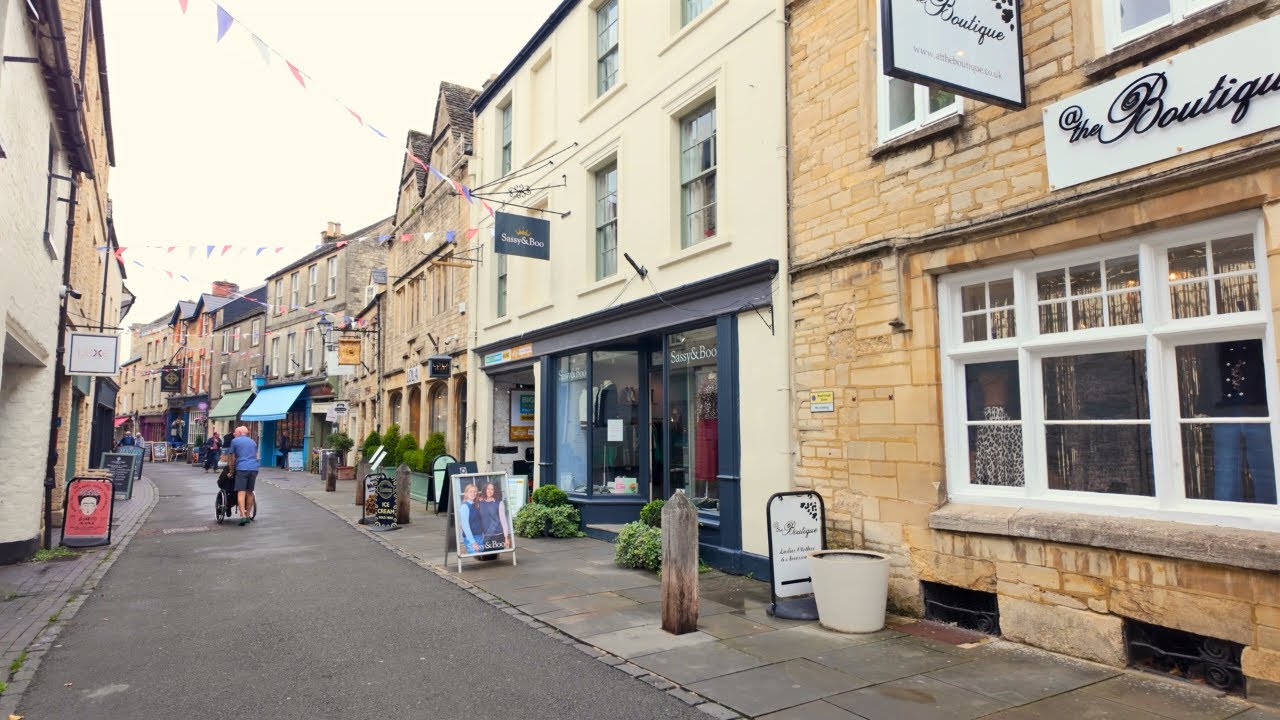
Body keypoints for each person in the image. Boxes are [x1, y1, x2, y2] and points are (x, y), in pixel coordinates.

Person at [222, 426, 259, 526]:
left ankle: (242, 515)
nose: (234, 434)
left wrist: (231, 470)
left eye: (235, 432)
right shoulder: (253, 442)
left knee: (241, 493)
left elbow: (232, 457)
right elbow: (256, 456)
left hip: (242, 468)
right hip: (254, 468)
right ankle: (247, 515)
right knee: (250, 492)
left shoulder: (235, 441)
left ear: (239, 432)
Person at [477, 481, 512, 551]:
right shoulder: (479, 502)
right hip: (486, 535)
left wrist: (506, 538)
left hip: (498, 535)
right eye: (488, 489)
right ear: (485, 490)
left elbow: (503, 521)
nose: (490, 491)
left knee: (497, 558)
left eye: (492, 489)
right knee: (488, 558)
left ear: (494, 491)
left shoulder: (499, 503)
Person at [456, 482, 482, 554]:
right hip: (471, 539)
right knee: (476, 558)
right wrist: (473, 542)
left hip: (479, 536)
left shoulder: (475, 505)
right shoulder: (465, 507)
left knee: (482, 558)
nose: (473, 493)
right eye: (471, 491)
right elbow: (465, 526)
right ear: (466, 493)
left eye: (475, 492)